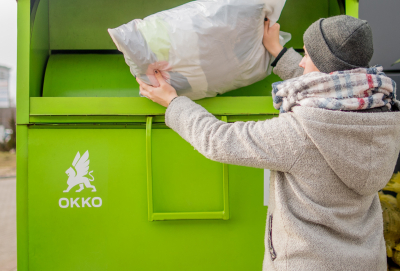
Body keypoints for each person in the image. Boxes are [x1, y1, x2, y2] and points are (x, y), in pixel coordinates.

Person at [136, 15, 400, 271]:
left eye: (306, 54)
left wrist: (173, 102)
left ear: (323, 66)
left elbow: (219, 139)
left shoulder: (301, 134)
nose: (301, 64)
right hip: (367, 261)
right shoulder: (384, 117)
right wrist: (276, 51)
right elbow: (327, 86)